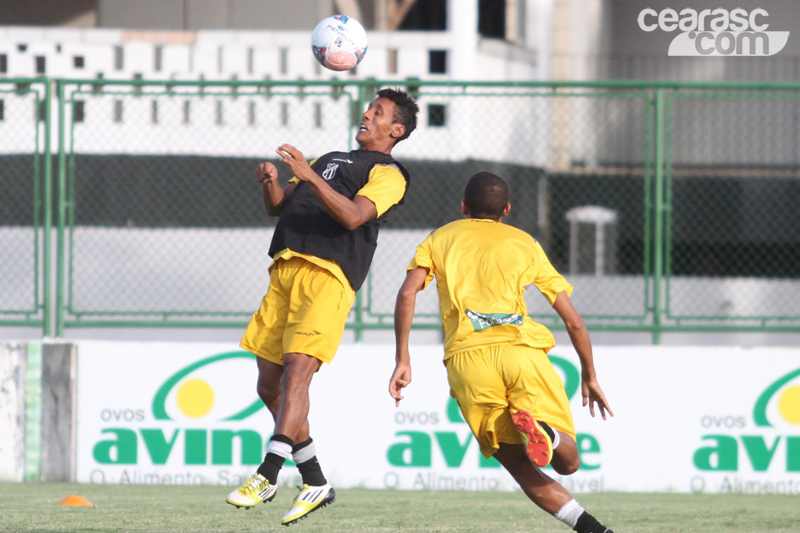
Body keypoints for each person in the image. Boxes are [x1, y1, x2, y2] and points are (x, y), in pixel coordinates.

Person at [227, 88, 419, 526]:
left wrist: (310, 176)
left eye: (378, 113)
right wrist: (273, 181)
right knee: (268, 386)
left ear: (397, 130)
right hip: (285, 270)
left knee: (298, 368)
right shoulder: (330, 156)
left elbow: (353, 216)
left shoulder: (391, 173)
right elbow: (278, 209)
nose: (367, 115)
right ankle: (314, 480)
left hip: (329, 276)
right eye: (369, 108)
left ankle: (268, 472)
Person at [389, 172, 616, 533]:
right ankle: (551, 436)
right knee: (568, 463)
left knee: (519, 465)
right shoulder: (524, 242)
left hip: (468, 360)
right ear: (506, 210)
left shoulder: (439, 238)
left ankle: (593, 531)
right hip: (520, 351)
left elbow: (406, 294)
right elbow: (573, 321)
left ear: (464, 207)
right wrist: (589, 375)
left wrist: (403, 357)